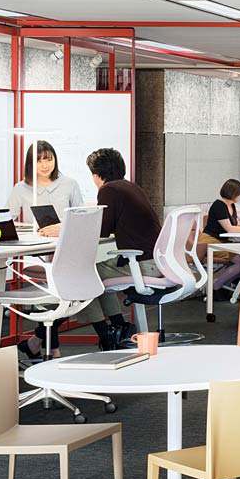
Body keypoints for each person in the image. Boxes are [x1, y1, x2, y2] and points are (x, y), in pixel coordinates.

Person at [42, 148, 162, 350]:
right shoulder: (130, 187)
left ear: (97, 174)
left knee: (83, 276)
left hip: (142, 264)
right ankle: (117, 326)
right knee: (93, 274)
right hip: (154, 261)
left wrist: (63, 228)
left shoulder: (110, 190)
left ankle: (96, 333)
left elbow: (101, 229)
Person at [8, 141, 83, 360]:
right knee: (52, 296)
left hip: (68, 251)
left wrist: (63, 227)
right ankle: (50, 348)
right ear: (30, 163)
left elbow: (80, 216)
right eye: (39, 160)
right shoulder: (21, 188)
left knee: (64, 295)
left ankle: (36, 342)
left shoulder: (69, 183)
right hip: (36, 253)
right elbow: (8, 218)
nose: (44, 164)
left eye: (48, 158)